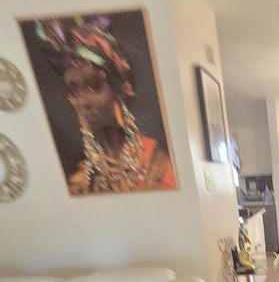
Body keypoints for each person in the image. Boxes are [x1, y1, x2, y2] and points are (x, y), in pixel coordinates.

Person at [36, 15, 176, 195]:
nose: (83, 101)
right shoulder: (77, 178)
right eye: (74, 91)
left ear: (118, 90)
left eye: (94, 87)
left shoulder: (158, 162)